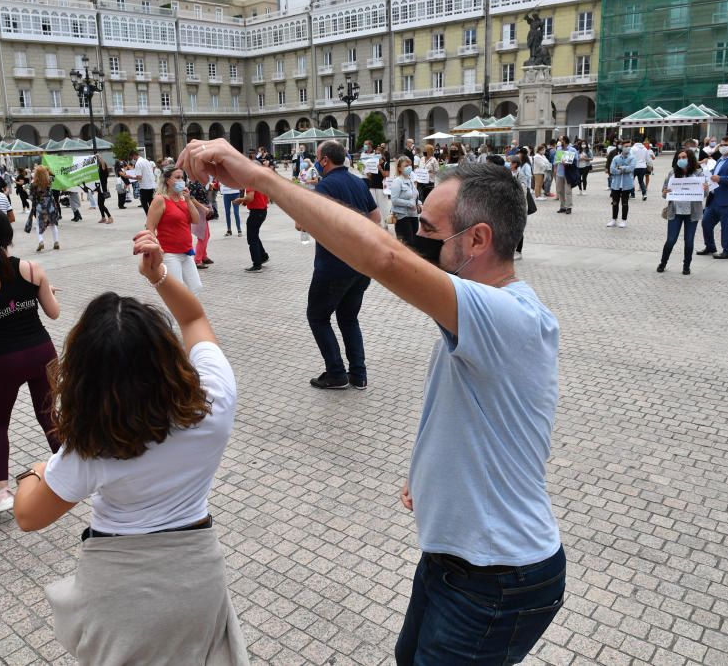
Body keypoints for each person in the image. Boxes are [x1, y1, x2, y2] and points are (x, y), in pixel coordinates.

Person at [176, 140, 565, 665]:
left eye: (427, 229)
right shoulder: (486, 319)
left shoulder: (506, 316)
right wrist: (432, 477)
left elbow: (380, 255)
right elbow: (478, 413)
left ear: (477, 239)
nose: (413, 238)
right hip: (457, 561)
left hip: (498, 577)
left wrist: (259, 177)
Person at [11, 230, 248, 665]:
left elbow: (28, 515)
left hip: (120, 590)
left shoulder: (92, 444)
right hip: (196, 574)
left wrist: (35, 470)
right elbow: (195, 321)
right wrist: (158, 277)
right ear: (165, 355)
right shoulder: (213, 401)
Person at [0, 207, 62, 517]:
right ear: (9, 235)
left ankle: (2, 492)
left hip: (6, 359)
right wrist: (43, 292)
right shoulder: (34, 269)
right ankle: (70, 472)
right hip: (42, 351)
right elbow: (54, 313)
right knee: (48, 415)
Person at [304, 140, 379, 390]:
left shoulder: (325, 187)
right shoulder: (358, 182)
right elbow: (375, 218)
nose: (316, 162)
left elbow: (309, 224)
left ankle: (336, 373)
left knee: (317, 316)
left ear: (324, 160)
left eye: (317, 158)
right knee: (349, 318)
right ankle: (358, 374)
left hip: (334, 266)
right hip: (361, 265)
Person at [146, 166, 203, 292]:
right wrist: (156, 247)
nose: (181, 181)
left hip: (187, 251)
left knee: (196, 287)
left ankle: (185, 311)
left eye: (182, 178)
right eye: (177, 177)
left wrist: (188, 201)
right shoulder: (160, 200)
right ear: (168, 180)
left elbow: (196, 220)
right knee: (176, 290)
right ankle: (174, 311)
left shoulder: (183, 199)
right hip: (169, 253)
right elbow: (150, 226)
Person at [698, 136, 728, 260]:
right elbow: (715, 174)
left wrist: (721, 179)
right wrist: (707, 183)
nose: (722, 147)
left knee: (725, 225)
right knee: (706, 222)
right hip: (714, 197)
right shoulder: (720, 159)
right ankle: (710, 246)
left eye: (725, 145)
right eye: (721, 145)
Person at [659, 149, 705, 275]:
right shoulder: (672, 173)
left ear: (690, 158)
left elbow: (704, 194)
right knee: (671, 239)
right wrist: (664, 193)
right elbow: (664, 192)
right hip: (675, 211)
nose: (681, 160)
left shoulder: (699, 174)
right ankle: (663, 262)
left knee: (689, 240)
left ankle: (686, 266)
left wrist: (705, 189)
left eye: (684, 157)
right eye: (679, 157)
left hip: (692, 212)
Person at [235, 161, 272, 271]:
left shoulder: (251, 180)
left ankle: (257, 263)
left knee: (252, 238)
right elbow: (266, 197)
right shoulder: (262, 179)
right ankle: (263, 256)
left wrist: (241, 200)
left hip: (256, 212)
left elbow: (250, 197)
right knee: (254, 234)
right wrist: (248, 202)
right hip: (262, 210)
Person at [28, 166, 61, 252]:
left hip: (40, 206)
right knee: (53, 224)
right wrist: (47, 170)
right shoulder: (49, 181)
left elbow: (31, 197)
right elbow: (54, 175)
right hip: (51, 205)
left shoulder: (33, 184)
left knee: (39, 224)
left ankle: (41, 241)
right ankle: (56, 242)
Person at [389, 156, 419, 246]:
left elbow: (415, 195)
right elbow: (394, 200)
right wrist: (410, 204)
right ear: (399, 168)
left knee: (415, 241)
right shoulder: (397, 181)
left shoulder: (410, 180)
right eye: (406, 165)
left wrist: (419, 204)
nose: (409, 167)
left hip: (413, 214)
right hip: (402, 216)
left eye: (409, 165)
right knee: (408, 243)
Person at [188, 176, 214, 270]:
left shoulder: (200, 181)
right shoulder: (193, 182)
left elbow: (204, 196)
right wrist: (203, 208)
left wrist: (210, 190)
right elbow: (191, 198)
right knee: (202, 236)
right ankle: (197, 260)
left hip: (203, 210)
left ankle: (203, 256)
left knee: (206, 235)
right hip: (199, 211)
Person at [608, 140, 635, 228]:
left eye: (629, 146)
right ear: (622, 147)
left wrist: (620, 167)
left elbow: (631, 168)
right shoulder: (616, 158)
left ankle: (623, 220)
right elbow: (612, 169)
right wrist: (622, 170)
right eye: (626, 146)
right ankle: (614, 219)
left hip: (626, 184)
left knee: (625, 203)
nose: (628, 148)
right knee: (615, 202)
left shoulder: (632, 158)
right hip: (616, 183)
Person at [511, 152, 532, 260]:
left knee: (519, 228)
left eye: (511, 162)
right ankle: (512, 249)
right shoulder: (509, 173)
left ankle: (519, 251)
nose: (510, 164)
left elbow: (523, 189)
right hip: (510, 205)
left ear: (515, 164)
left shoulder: (520, 174)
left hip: (520, 205)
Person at [553, 136, 577, 214]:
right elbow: (556, 160)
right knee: (560, 190)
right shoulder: (559, 149)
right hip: (559, 172)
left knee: (568, 191)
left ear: (565, 141)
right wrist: (555, 168)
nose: (559, 142)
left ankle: (569, 207)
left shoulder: (572, 149)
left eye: (561, 140)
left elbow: (576, 160)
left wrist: (568, 162)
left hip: (568, 172)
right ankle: (562, 206)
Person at [365, 147, 390, 220]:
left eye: (378, 153)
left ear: (382, 154)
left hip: (381, 187)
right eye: (375, 153)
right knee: (373, 205)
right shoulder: (372, 163)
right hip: (373, 186)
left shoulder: (385, 164)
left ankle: (385, 222)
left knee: (383, 205)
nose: (377, 155)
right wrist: (367, 172)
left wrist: (380, 169)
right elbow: (370, 177)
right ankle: (375, 221)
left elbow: (386, 175)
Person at [96, 156, 114, 224]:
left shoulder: (104, 172)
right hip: (100, 189)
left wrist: (100, 157)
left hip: (103, 190)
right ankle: (103, 217)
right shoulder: (101, 172)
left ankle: (110, 217)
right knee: (99, 204)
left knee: (101, 204)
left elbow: (103, 164)